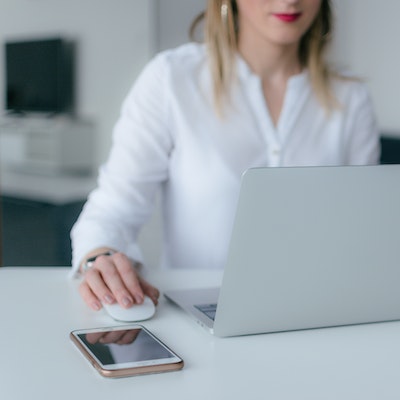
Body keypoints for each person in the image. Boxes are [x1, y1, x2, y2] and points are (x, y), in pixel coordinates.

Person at [70, 0, 380, 312]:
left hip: (319, 311)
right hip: (200, 312)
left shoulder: (351, 97)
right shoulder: (172, 79)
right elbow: (112, 210)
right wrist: (100, 257)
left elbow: (362, 228)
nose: (289, 0)